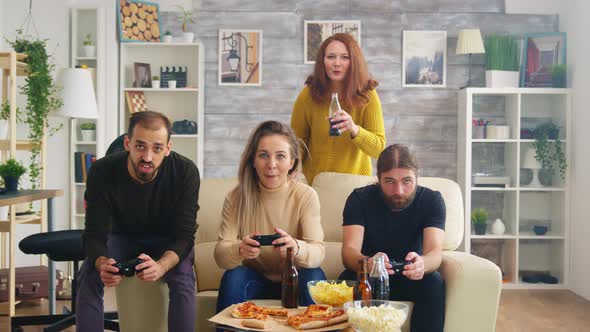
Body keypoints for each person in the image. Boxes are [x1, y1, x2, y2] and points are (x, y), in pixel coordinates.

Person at [76, 111, 200, 332]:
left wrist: (161, 266)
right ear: (127, 143)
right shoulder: (102, 171)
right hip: (121, 237)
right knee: (89, 274)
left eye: (157, 148)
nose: (148, 157)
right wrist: (101, 262)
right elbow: (94, 233)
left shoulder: (185, 172)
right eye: (140, 146)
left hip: (167, 240)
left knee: (183, 278)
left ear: (168, 148)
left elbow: (184, 236)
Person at [215, 120, 326, 313]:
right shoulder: (235, 197)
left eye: (280, 156)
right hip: (254, 278)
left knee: (313, 276)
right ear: (253, 160)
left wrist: (296, 248)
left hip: (295, 276)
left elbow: (318, 252)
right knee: (233, 277)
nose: (271, 165)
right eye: (263, 155)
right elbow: (220, 255)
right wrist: (239, 249)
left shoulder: (306, 195)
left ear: (292, 162)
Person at [339, 144, 446, 332]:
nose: (399, 190)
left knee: (434, 281)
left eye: (407, 181)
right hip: (369, 275)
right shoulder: (359, 199)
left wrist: (422, 264)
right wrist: (367, 263)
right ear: (378, 179)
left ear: (416, 178)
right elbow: (348, 252)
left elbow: (435, 253)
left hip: (411, 277)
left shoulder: (432, 200)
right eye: (389, 181)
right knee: (346, 279)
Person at [291, 33, 385, 184]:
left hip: (356, 186)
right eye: (331, 57)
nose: (337, 63)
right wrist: (291, 168)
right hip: (315, 186)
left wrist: (354, 129)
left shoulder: (367, 95)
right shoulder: (308, 94)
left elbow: (378, 148)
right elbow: (297, 144)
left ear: (354, 61)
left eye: (345, 57)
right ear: (323, 61)